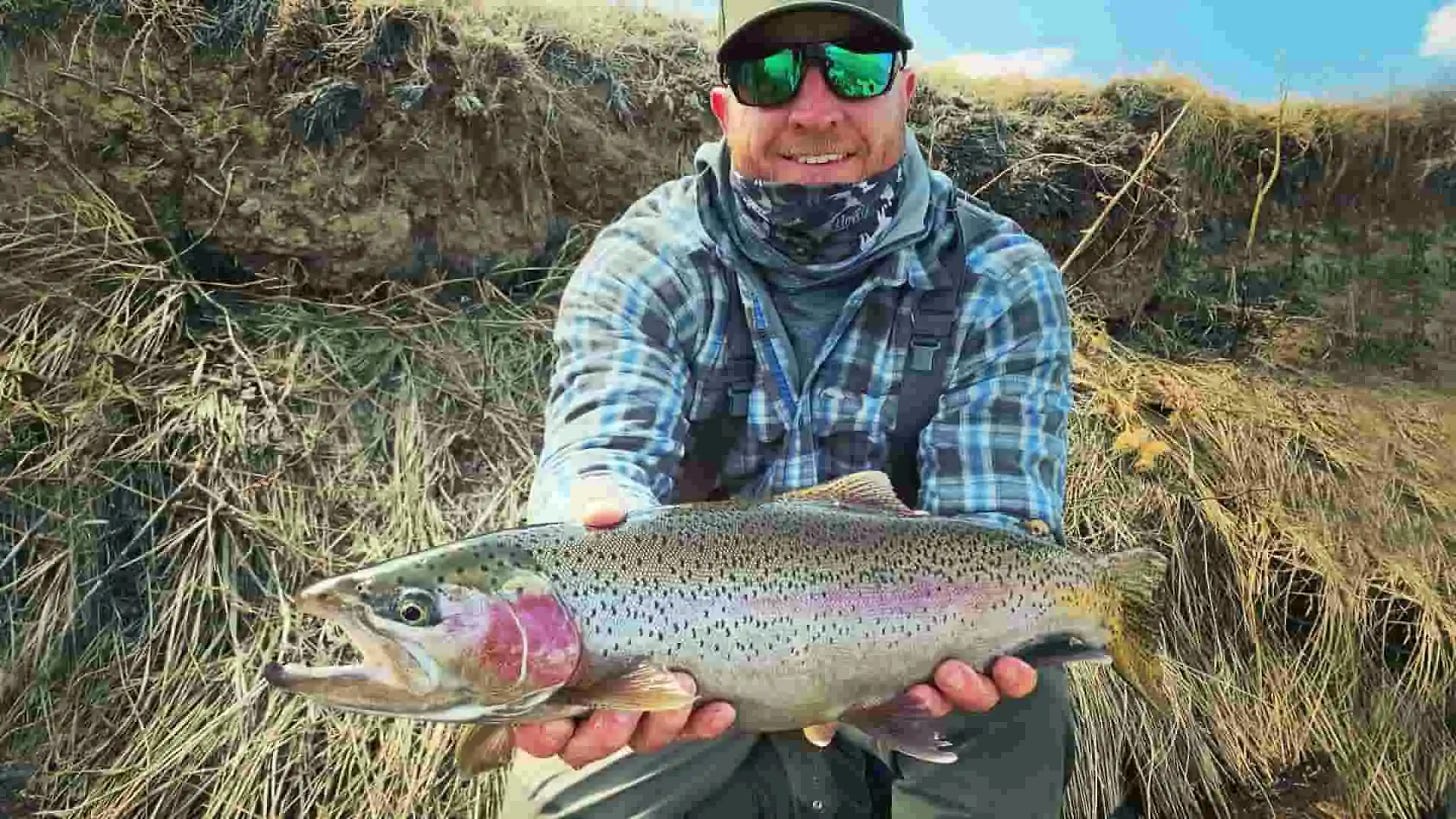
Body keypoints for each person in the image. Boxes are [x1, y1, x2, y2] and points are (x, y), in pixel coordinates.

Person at [503, 0, 1077, 815]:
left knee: (1020, 684)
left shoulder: (999, 274)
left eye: (854, 68)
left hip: (908, 640)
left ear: (905, 90)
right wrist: (590, 520)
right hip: (683, 659)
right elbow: (597, 453)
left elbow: (997, 525)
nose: (814, 110)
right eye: (769, 74)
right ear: (723, 106)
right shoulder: (644, 260)